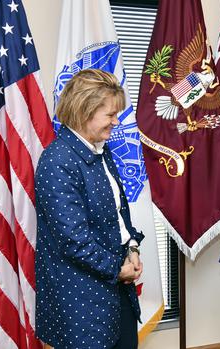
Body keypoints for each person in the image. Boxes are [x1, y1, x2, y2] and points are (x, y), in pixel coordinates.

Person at [35, 69, 144, 349]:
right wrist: (118, 269)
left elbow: (120, 214)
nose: (116, 122)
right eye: (110, 115)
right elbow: (74, 241)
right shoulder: (57, 162)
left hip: (117, 291)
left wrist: (132, 247)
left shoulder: (100, 148)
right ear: (85, 111)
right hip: (82, 303)